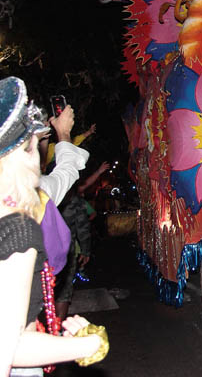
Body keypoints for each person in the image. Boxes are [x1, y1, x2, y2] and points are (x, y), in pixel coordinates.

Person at [0, 77, 106, 376]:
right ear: (25, 154)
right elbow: (9, 347)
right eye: (34, 145)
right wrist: (86, 346)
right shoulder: (22, 218)